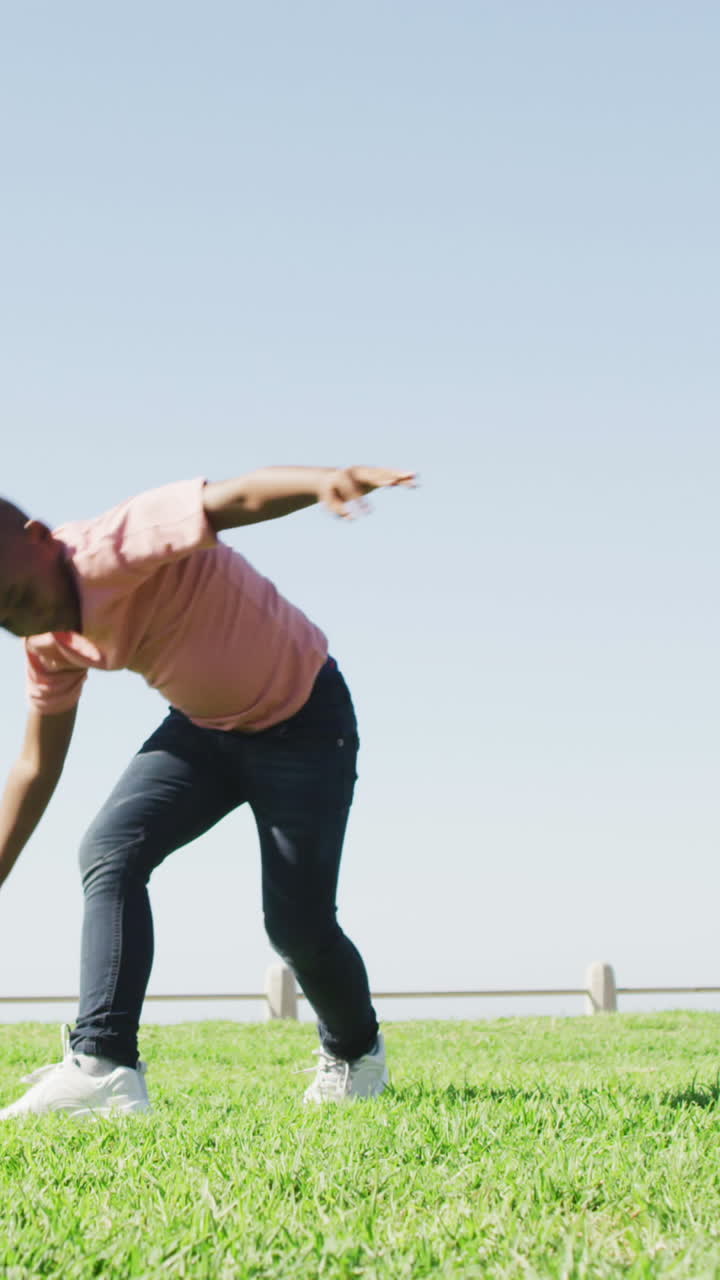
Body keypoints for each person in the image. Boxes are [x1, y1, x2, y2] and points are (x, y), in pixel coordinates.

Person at [0, 464, 415, 1118]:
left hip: (305, 722)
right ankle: (105, 1064)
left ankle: (355, 1053)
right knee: (110, 850)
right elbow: (34, 766)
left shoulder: (117, 542)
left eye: (18, 595)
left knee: (298, 926)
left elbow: (231, 500)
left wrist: (320, 484)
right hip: (205, 731)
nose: (26, 620)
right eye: (4, 620)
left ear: (36, 536)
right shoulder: (49, 644)